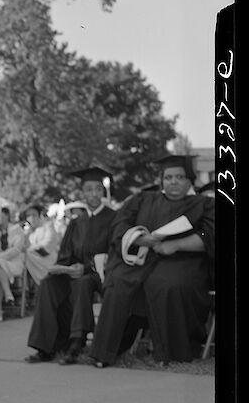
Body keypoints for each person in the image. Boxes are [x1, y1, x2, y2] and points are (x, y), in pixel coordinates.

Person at [88, 155, 215, 366]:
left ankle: (170, 351)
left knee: (167, 284)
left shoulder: (204, 204)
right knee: (118, 281)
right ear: (162, 180)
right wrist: (139, 238)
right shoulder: (144, 199)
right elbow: (119, 224)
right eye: (168, 177)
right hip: (143, 258)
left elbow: (210, 235)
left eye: (179, 177)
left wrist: (175, 245)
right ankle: (106, 351)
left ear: (189, 180)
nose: (173, 181)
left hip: (184, 261)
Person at [25, 167, 116, 364]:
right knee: (49, 284)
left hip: (99, 274)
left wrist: (86, 268)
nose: (93, 194)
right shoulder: (77, 222)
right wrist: (64, 268)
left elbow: (114, 253)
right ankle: (46, 347)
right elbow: (66, 254)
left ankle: (77, 341)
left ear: (103, 192)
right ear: (82, 192)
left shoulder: (113, 218)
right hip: (74, 271)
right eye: (89, 189)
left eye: (97, 189)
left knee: (82, 282)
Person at [0, 202, 29, 322]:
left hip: (13, 262)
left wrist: (0, 257)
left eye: (2, 217)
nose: (0, 219)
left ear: (7, 216)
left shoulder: (16, 229)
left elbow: (16, 249)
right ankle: (7, 295)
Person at [23, 203, 64, 287]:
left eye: (34, 215)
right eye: (28, 215)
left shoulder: (48, 226)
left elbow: (48, 243)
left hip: (46, 259)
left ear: (39, 215)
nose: (31, 218)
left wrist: (31, 249)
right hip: (31, 260)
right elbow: (23, 246)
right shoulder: (27, 232)